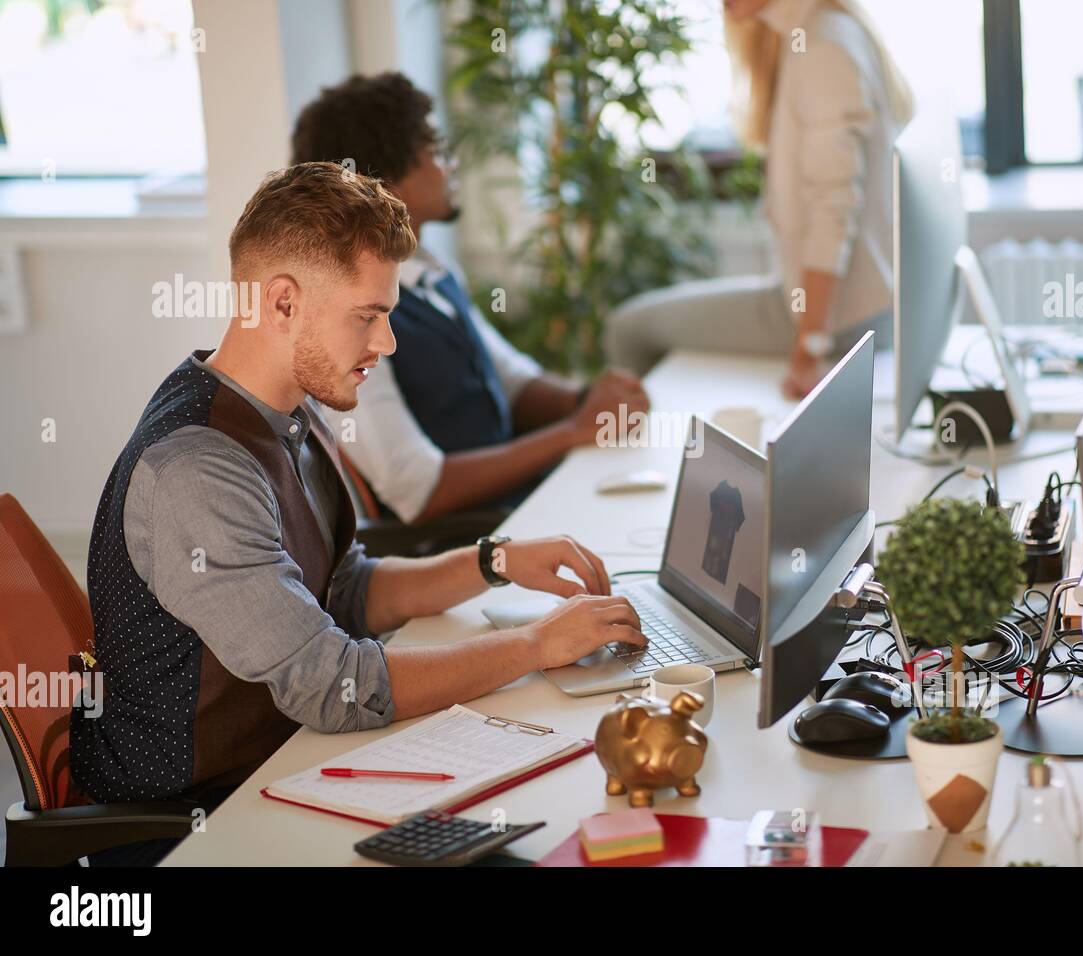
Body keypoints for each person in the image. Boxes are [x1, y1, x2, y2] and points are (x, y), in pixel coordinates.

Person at [70, 163, 645, 863]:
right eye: (367, 316)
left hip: (282, 766)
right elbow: (334, 687)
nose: (387, 343)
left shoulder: (287, 411)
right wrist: (535, 646)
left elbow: (344, 590)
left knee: (531, 821)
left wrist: (493, 562)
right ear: (283, 304)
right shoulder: (197, 469)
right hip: (193, 825)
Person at [290, 72, 650, 523]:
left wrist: (589, 400)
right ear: (389, 183)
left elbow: (512, 380)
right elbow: (418, 490)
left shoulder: (431, 271)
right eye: (436, 151)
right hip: (471, 545)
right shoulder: (342, 318)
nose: (451, 164)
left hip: (524, 507)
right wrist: (574, 432)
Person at [605, 0, 914, 399]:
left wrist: (810, 346)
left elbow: (833, 211)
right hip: (849, 309)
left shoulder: (821, 46)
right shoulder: (819, 32)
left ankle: (639, 458)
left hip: (835, 321)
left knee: (630, 328)